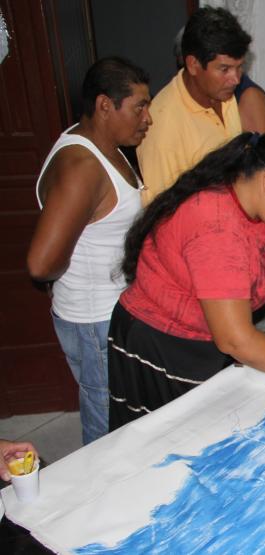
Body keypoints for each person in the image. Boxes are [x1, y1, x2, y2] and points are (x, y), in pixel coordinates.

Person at [108, 131, 265, 430]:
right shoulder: (218, 229)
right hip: (160, 343)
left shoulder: (260, 205)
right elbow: (235, 339)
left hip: (203, 337)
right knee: (165, 442)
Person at [26, 57, 150, 444]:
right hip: (96, 320)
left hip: (102, 315)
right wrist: (75, 273)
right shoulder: (83, 165)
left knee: (121, 413)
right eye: (139, 107)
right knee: (106, 427)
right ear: (104, 105)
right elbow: (41, 262)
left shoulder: (99, 145)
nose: (148, 118)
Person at [137, 6, 249, 204]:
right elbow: (161, 216)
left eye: (240, 67)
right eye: (224, 69)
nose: (236, 79)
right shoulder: (163, 128)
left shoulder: (223, 95)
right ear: (193, 65)